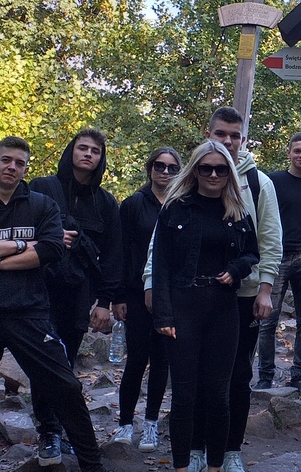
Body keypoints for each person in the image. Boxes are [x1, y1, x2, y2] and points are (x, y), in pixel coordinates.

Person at [0, 136, 104, 472]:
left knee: (66, 386)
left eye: (20, 163)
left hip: (29, 312)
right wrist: (24, 245)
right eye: (6, 160)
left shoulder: (40, 205)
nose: (12, 167)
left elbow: (52, 249)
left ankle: (93, 466)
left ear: (26, 168)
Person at [143, 106, 279, 472]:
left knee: (226, 387)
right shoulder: (176, 205)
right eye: (207, 168)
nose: (215, 172)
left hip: (230, 304)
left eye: (221, 168)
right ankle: (187, 460)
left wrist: (248, 278)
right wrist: (160, 308)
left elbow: (261, 246)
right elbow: (162, 259)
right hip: (184, 306)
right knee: (186, 393)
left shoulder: (249, 194)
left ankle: (224, 456)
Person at [28, 129, 123, 462]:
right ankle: (49, 432)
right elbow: (23, 228)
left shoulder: (107, 202)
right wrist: (51, 238)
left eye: (95, 151)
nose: (88, 155)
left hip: (79, 295)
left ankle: (61, 429)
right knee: (46, 363)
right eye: (82, 148)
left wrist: (105, 302)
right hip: (39, 291)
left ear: (101, 158)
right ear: (71, 152)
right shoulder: (42, 187)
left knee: (65, 364)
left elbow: (113, 256)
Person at [109, 147, 181, 451]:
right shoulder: (133, 205)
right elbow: (120, 251)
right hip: (136, 294)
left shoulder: (182, 205)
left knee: (162, 361)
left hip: (173, 295)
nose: (164, 172)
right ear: (150, 168)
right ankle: (126, 422)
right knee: (136, 359)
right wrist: (118, 296)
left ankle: (151, 423)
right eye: (159, 166)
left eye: (171, 168)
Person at [256, 132, 301, 392]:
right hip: (276, 258)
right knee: (268, 320)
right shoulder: (273, 182)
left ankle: (299, 374)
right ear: (289, 153)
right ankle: (265, 375)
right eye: (298, 151)